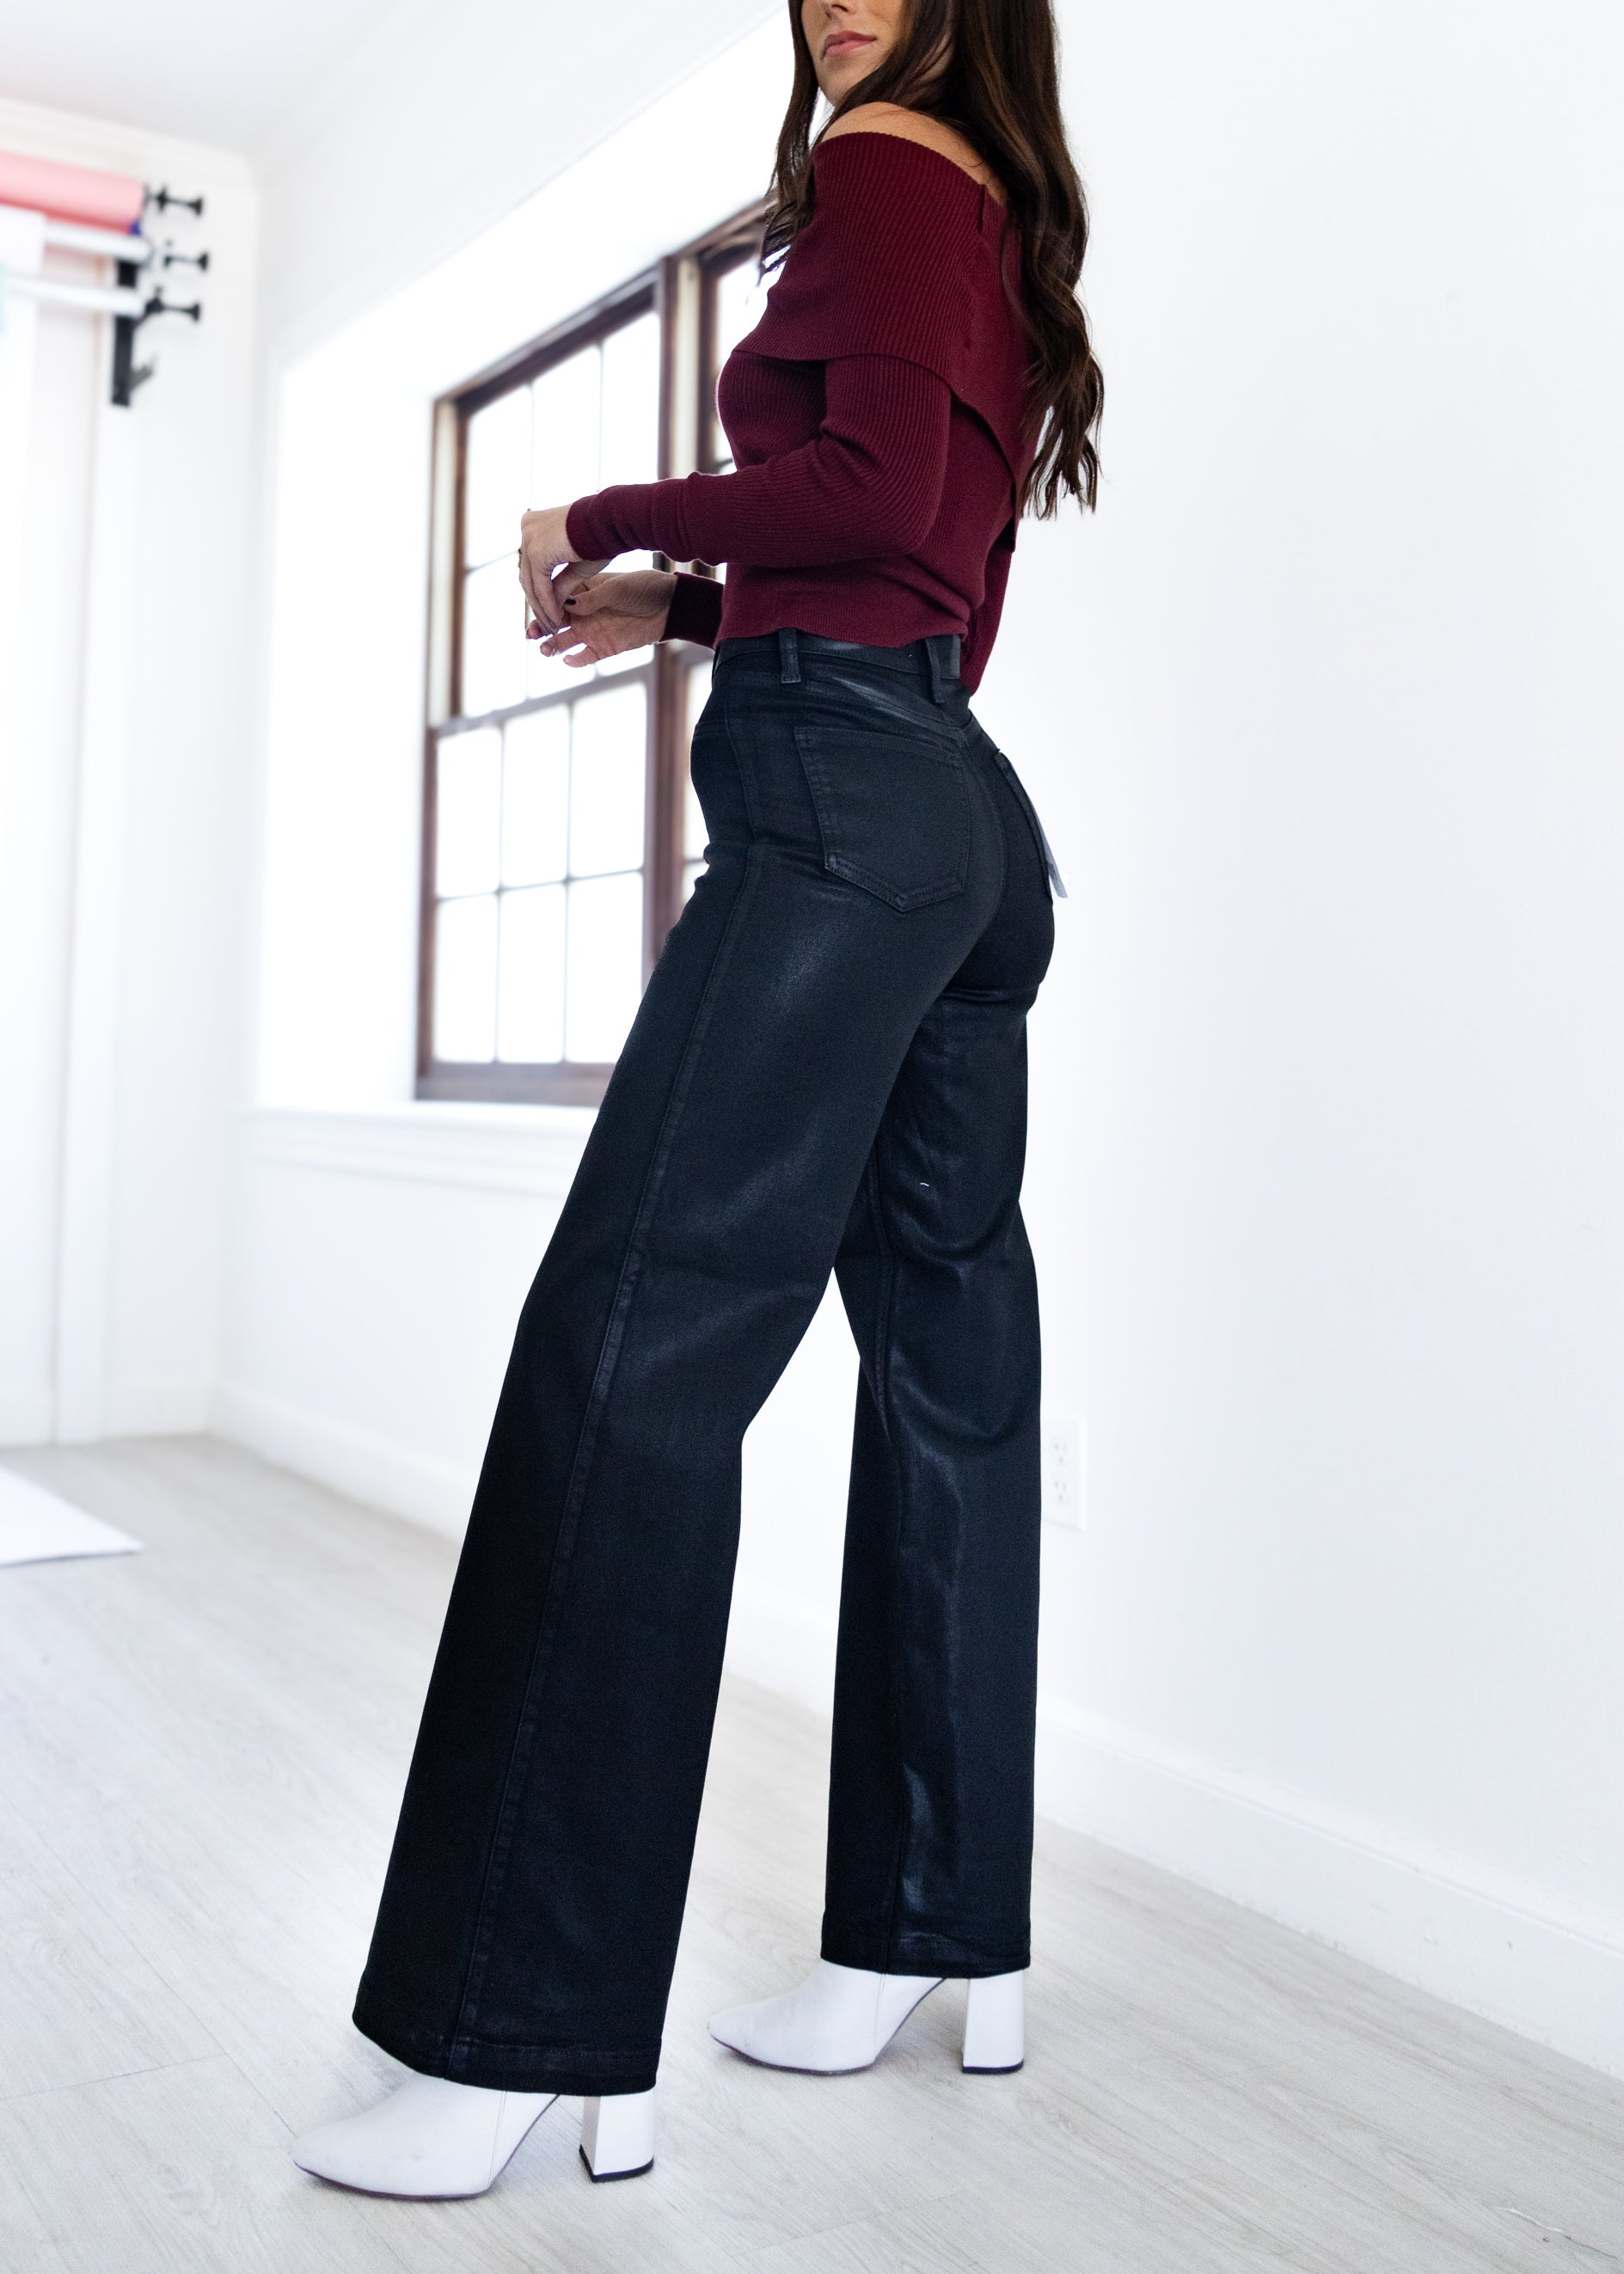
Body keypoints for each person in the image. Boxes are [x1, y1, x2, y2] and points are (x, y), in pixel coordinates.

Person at [292, 0, 1103, 2201]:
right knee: (950, 1375)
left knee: (627, 1356)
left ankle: (516, 2040)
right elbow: (917, 540)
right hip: (953, 811)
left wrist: (593, 502)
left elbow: (853, 491)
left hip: (841, 807)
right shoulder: (999, 211)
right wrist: (688, 604)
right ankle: (939, 1943)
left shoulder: (888, 168)